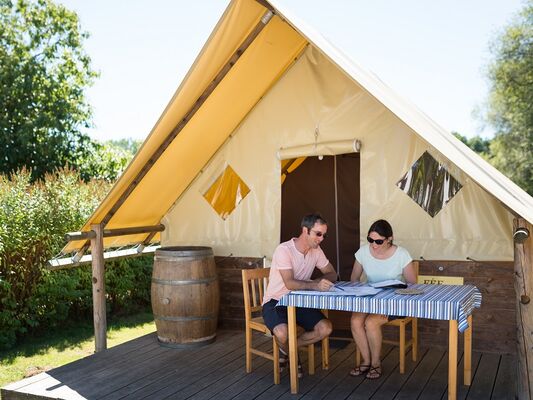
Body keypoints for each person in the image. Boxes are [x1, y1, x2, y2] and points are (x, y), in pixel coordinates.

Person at [262, 213, 337, 376]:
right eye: (318, 234)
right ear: (305, 230)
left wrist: (319, 281)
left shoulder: (316, 251)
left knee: (326, 328)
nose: (322, 238)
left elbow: (332, 273)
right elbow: (289, 283)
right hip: (277, 301)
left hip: (300, 301)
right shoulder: (284, 250)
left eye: (324, 235)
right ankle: (291, 354)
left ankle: (288, 350)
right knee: (282, 333)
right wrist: (315, 285)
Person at [349, 219, 416, 379]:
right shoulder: (364, 252)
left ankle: (376, 363)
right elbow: (354, 278)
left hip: (393, 302)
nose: (374, 245)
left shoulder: (401, 254)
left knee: (371, 322)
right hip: (370, 298)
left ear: (389, 239)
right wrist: (360, 290)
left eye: (378, 241)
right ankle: (366, 361)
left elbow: (412, 284)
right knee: (355, 321)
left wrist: (396, 294)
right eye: (370, 240)